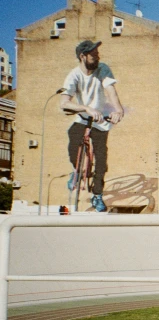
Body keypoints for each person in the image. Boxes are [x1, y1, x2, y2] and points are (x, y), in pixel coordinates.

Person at [60, 40, 124, 212]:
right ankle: (77, 171)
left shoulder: (103, 69)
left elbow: (111, 92)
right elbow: (64, 102)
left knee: (101, 161)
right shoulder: (74, 75)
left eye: (97, 54)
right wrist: (85, 108)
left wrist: (118, 111)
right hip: (82, 118)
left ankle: (97, 195)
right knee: (73, 140)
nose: (97, 57)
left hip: (101, 121)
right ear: (83, 56)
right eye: (93, 55)